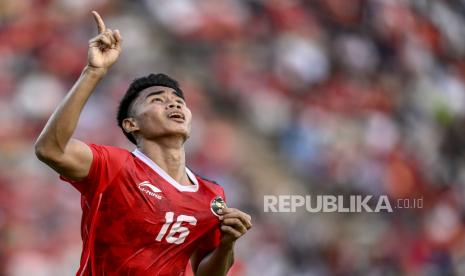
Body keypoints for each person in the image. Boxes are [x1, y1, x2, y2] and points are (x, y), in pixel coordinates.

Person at [34, 11, 252, 275]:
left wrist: (228, 244)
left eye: (178, 99)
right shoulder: (115, 166)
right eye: (157, 99)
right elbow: (50, 149)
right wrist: (93, 72)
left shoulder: (212, 196)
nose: (173, 102)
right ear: (131, 124)